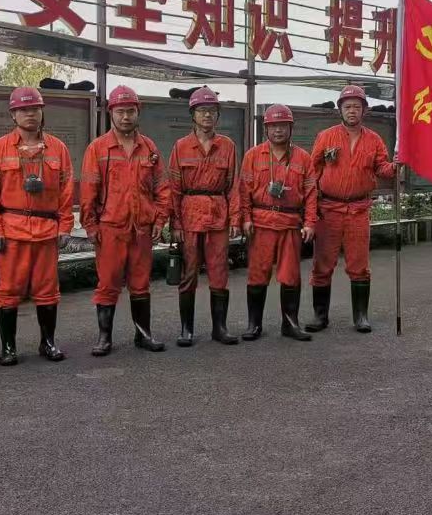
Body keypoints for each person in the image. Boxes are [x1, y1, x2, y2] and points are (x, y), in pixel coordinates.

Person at [0, 87, 76, 364]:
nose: (30, 114)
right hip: (12, 232)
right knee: (8, 291)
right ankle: (8, 348)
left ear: (42, 112)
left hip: (47, 230)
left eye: (35, 108)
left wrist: (65, 227)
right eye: (24, 110)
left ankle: (47, 343)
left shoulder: (58, 148)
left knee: (48, 290)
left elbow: (66, 190)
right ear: (13, 114)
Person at [80, 85, 170, 355]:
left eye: (130, 111)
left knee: (141, 284)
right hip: (111, 228)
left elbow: (162, 188)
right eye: (120, 112)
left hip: (141, 229)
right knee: (108, 284)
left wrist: (159, 221)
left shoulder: (149, 148)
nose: (126, 117)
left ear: (138, 112)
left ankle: (143, 335)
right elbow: (88, 192)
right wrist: (91, 226)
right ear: (111, 114)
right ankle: (104, 339)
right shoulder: (98, 149)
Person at [307, 84, 398, 333]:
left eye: (357, 107)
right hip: (328, 209)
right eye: (347, 107)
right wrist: (311, 207)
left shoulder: (374, 139)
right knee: (323, 264)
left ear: (364, 110)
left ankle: (360, 317)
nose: (352, 111)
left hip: (358, 209)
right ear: (340, 110)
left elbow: (382, 169)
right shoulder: (326, 137)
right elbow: (312, 172)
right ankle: (320, 316)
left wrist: (397, 165)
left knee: (359, 265)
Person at [168, 86, 241, 347]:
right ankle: (186, 329)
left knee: (219, 272)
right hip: (189, 215)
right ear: (193, 115)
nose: (207, 115)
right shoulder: (180, 147)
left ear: (218, 115)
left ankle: (219, 328)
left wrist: (235, 219)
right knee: (188, 274)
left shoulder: (228, 146)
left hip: (218, 214)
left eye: (212, 111)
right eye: (202, 111)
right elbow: (174, 189)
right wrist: (174, 223)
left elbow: (233, 185)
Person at [239, 104, 317, 341]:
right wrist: (245, 218)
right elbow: (243, 192)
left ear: (290, 128)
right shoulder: (253, 156)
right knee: (257, 274)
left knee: (291, 275)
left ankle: (290, 324)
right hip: (261, 223)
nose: (278, 131)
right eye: (273, 126)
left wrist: (310, 223)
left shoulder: (303, 158)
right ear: (266, 129)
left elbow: (311, 193)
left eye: (283, 126)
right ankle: (254, 325)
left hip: (290, 223)